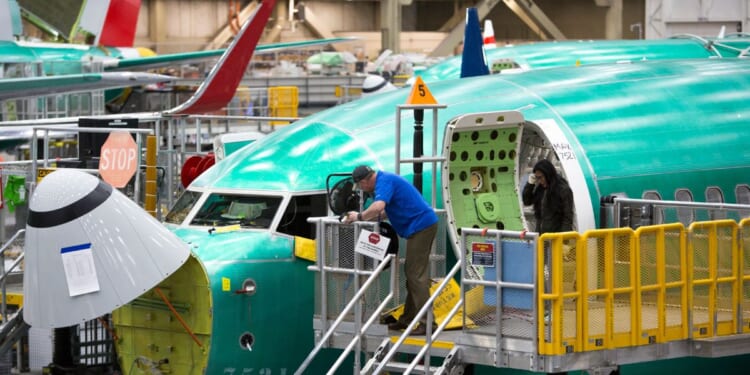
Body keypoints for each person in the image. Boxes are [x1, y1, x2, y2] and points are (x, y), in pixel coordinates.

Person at [342, 165, 438, 335]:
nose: (363, 190)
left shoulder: (383, 181)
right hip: (420, 226)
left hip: (421, 227)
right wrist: (370, 217)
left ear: (365, 181)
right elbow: (386, 211)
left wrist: (359, 216)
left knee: (415, 275)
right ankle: (408, 320)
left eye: (361, 186)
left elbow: (379, 206)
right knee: (413, 275)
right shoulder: (386, 180)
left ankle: (428, 323)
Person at [522, 159, 574, 234]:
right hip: (542, 237)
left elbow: (567, 218)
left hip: (556, 238)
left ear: (548, 174)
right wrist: (530, 184)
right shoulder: (541, 189)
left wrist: (563, 240)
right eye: (537, 178)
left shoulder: (563, 190)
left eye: (540, 177)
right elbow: (527, 201)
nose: (539, 181)